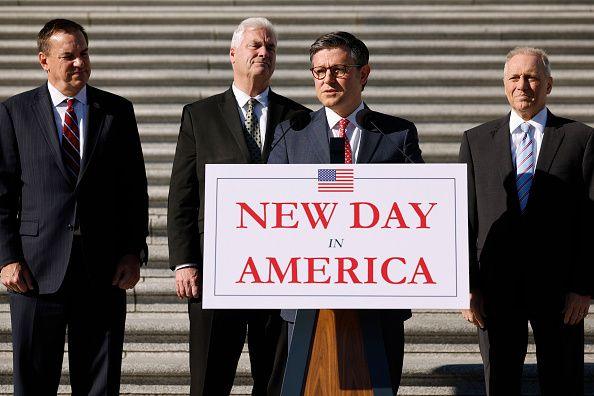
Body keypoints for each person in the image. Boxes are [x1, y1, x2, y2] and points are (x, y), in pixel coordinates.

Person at [267, 31, 423, 395]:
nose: (327, 79)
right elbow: (272, 209)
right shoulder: (290, 133)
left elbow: (418, 210)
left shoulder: (398, 135)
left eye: (338, 69)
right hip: (307, 297)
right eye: (319, 71)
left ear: (363, 74)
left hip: (379, 295)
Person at [0, 19, 148, 396]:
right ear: (44, 60)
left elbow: (133, 189)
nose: (79, 62)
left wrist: (133, 252)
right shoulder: (15, 112)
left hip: (102, 268)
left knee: (99, 383)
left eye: (84, 53)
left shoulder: (116, 111)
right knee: (33, 382)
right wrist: (6, 257)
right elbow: (2, 194)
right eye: (68, 56)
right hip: (34, 268)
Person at [167, 17, 309, 396]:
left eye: (272, 47)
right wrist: (185, 262)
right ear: (233, 54)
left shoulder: (299, 118)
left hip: (280, 273)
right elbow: (182, 196)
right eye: (256, 46)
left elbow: (315, 189)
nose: (265, 52)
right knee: (209, 379)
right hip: (216, 272)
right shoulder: (200, 115)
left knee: (276, 382)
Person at [459, 47, 593, 396]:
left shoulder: (581, 139)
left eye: (532, 77)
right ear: (504, 84)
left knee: (563, 382)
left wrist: (584, 287)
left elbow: (591, 219)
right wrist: (467, 286)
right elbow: (466, 218)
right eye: (514, 78)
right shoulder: (475, 140)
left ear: (548, 84)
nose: (523, 85)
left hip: (561, 290)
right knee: (500, 382)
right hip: (495, 288)